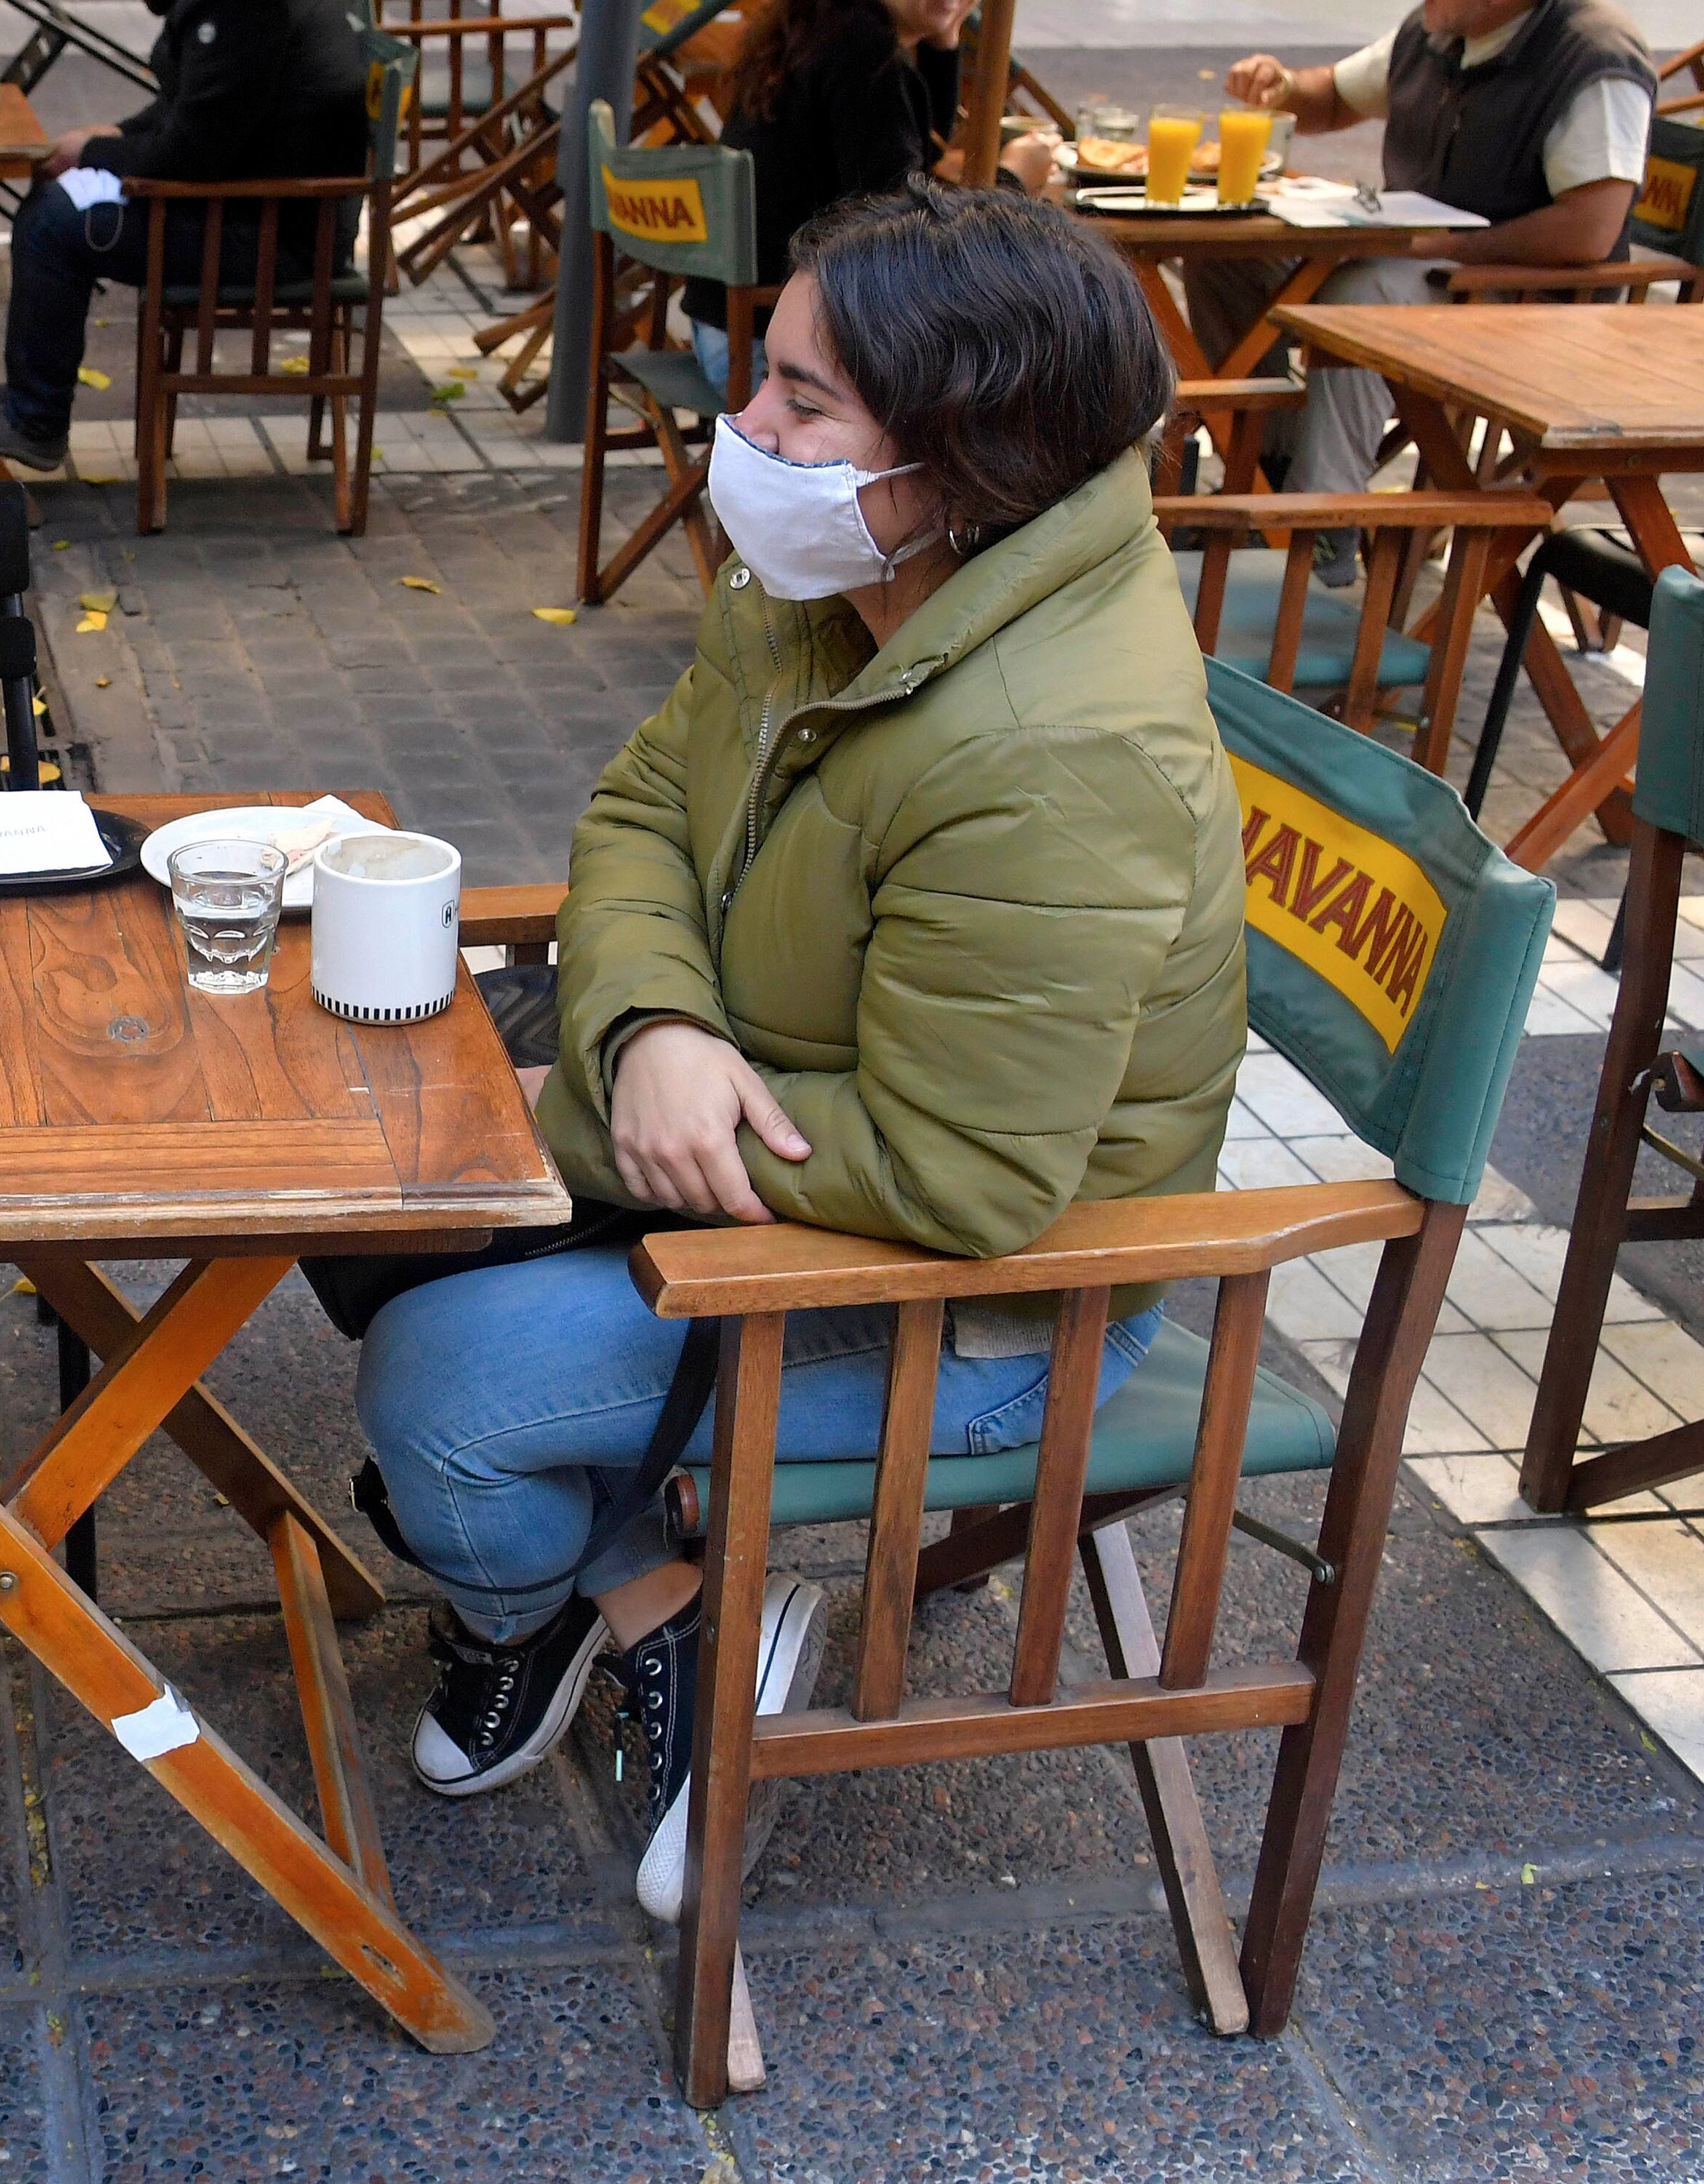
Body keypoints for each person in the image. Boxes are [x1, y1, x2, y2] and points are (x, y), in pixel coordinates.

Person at [349, 185, 1239, 1925]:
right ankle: (662, 1606)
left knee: (431, 1402)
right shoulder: (846, 570)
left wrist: (588, 1110)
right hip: (780, 1117)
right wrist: (657, 1029)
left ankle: (579, 1597)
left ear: (966, 454)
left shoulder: (1057, 747)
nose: (745, 431)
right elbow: (637, 815)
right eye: (761, 379)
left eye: (803, 401)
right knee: (357, 1135)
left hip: (981, 1300)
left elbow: (969, 1177)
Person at [1204, 0, 1648, 576]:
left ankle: (1319, 530)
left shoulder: (1592, 58)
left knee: (1364, 297)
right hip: (1413, 262)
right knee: (1225, 257)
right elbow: (1330, 101)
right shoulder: (1441, 24)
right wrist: (1280, 84)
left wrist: (1440, 246)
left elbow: (1589, 229)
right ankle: (1265, 470)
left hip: (1523, 305)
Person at [0, 0, 370, 473]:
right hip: (270, 204)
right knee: (59, 197)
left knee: (55, 220)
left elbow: (191, 152)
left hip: (270, 233)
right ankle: (27, 399)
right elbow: (196, 106)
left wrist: (95, 152)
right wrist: (112, 135)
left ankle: (34, 421)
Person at [686, 0, 1059, 394]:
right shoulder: (861, 52)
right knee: (1005, 375)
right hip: (771, 353)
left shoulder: (830, 27)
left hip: (734, 329)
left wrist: (945, 38)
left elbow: (916, 152)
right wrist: (1013, 180)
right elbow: (913, 232)